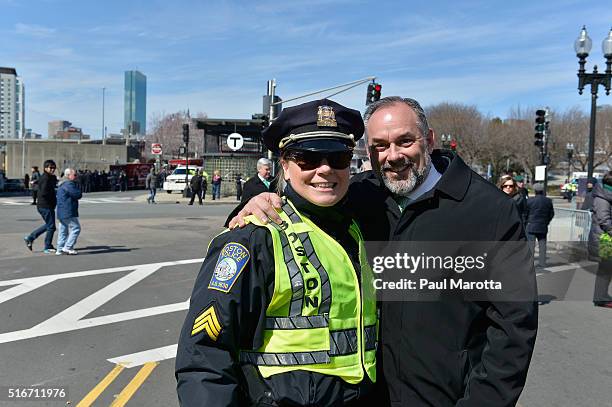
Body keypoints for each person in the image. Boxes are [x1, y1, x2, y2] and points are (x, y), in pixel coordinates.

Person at [231, 96, 538, 406]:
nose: (392, 156)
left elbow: (513, 329)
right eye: (379, 146)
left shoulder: (489, 211)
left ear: (429, 140)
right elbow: (306, 201)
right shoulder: (358, 196)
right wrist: (262, 203)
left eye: (405, 141)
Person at [176, 99, 378, 406]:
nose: (325, 169)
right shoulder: (253, 238)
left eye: (337, 157)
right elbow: (204, 358)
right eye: (307, 158)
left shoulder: (364, 225)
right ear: (284, 163)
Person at [588, 171, 612, 308]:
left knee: (606, 269)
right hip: (604, 239)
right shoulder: (602, 198)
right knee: (605, 269)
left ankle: (601, 295)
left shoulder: (606, 195)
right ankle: (600, 297)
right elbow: (604, 220)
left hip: (604, 238)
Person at [24, 160, 58, 254]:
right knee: (51, 227)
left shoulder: (48, 177)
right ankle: (47, 246)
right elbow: (43, 193)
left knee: (49, 225)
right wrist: (51, 198)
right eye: (50, 168)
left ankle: (30, 238)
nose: (52, 169)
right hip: (45, 205)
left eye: (54, 168)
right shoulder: (46, 178)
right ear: (45, 168)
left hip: (45, 205)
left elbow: (38, 182)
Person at [525, 183, 554, 268]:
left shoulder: (530, 201)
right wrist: (547, 221)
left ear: (535, 191)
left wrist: (527, 221)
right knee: (542, 245)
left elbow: (526, 213)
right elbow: (551, 213)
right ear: (542, 191)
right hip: (542, 226)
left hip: (531, 225)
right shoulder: (548, 201)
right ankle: (542, 263)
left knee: (531, 245)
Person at [55, 168, 82, 255]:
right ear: (68, 175)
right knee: (76, 228)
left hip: (61, 210)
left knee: (63, 230)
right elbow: (77, 194)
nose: (76, 176)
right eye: (74, 175)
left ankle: (59, 249)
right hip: (68, 210)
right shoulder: (68, 184)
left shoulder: (61, 184)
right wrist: (78, 189)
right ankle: (68, 247)